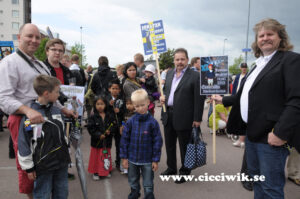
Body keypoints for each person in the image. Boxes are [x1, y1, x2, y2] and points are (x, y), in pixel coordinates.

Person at [213, 18, 300, 198]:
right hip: (252, 134)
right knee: (257, 182)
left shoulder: (291, 60)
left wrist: (281, 133)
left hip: (271, 138)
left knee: (271, 188)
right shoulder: (258, 64)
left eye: (270, 34)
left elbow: (296, 100)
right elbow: (246, 94)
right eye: (261, 35)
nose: (265, 38)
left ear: (280, 37)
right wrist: (224, 99)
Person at [0, 23, 75, 199]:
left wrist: (63, 109)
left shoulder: (39, 64)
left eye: (37, 37)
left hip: (46, 117)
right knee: (29, 168)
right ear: (19, 38)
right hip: (24, 120)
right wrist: (27, 110)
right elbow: (3, 98)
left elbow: (48, 93)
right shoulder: (8, 63)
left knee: (49, 161)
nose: (34, 40)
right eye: (29, 36)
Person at [18, 75, 70, 199]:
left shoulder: (57, 111)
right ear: (46, 93)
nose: (59, 95)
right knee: (43, 195)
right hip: (43, 167)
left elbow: (63, 135)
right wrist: (29, 168)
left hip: (61, 163)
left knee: (62, 193)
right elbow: (24, 142)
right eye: (57, 92)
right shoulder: (29, 117)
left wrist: (67, 151)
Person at [160, 48, 205, 184]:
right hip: (168, 114)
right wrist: (163, 98)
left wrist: (197, 118)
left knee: (184, 146)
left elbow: (199, 99)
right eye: (177, 59)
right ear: (174, 60)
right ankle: (171, 167)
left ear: (187, 60)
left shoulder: (195, 76)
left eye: (182, 59)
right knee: (169, 144)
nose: (179, 62)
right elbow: (166, 91)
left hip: (185, 116)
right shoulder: (169, 74)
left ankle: (185, 171)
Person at [120, 89, 163, 199]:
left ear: (148, 102)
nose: (140, 108)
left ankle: (149, 195)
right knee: (132, 179)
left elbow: (157, 142)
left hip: (147, 160)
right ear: (133, 106)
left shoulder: (153, 123)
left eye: (142, 105)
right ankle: (135, 192)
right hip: (132, 159)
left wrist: (155, 160)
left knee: (148, 181)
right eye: (137, 106)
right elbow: (124, 140)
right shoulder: (130, 122)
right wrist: (124, 158)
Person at [87, 96, 116, 179]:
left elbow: (114, 125)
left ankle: (106, 170)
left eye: (102, 104)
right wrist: (99, 135)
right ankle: (96, 172)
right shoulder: (92, 116)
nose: (100, 106)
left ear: (105, 105)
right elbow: (91, 129)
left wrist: (109, 131)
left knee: (106, 157)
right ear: (94, 105)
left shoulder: (109, 115)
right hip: (96, 142)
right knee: (96, 157)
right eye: (98, 104)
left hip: (106, 142)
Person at [107, 79, 126, 171]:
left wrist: (120, 111)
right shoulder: (106, 99)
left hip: (118, 126)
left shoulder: (122, 100)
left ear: (119, 90)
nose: (114, 90)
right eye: (113, 88)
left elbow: (124, 113)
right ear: (109, 89)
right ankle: (107, 164)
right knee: (108, 145)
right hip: (109, 126)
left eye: (117, 88)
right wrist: (109, 106)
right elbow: (102, 111)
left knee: (119, 145)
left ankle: (119, 163)